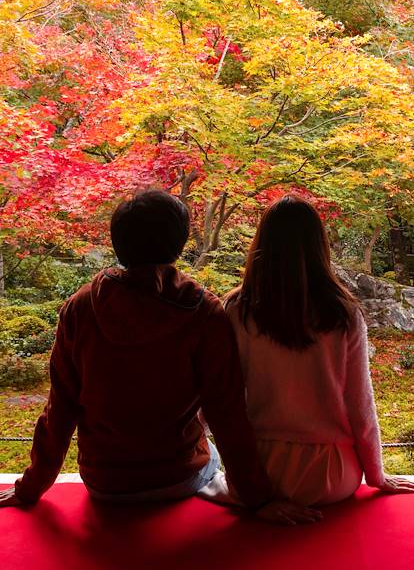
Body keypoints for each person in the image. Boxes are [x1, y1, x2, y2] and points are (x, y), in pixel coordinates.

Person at [0, 189, 321, 525]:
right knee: (211, 457)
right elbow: (226, 414)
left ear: (118, 241)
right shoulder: (204, 312)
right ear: (179, 242)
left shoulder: (81, 308)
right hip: (180, 476)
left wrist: (30, 487)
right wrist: (259, 499)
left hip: (105, 482)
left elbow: (60, 407)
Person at [206, 195, 414, 506]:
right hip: (332, 475)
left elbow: (222, 399)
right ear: (320, 246)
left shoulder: (238, 309)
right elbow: (360, 405)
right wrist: (376, 475)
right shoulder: (343, 313)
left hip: (261, 472)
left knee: (206, 473)